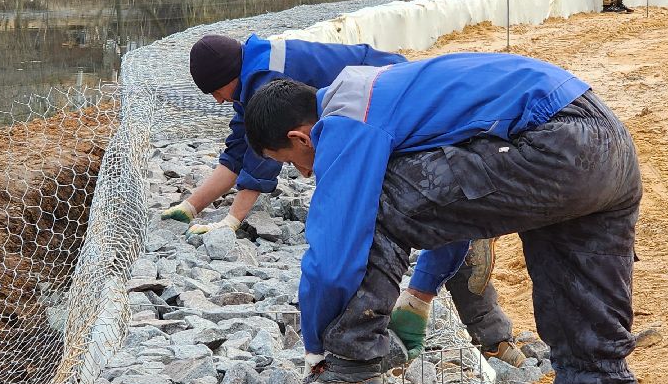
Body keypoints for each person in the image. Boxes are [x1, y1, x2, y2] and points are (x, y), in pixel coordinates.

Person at [242, 55, 642, 384]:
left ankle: (354, 372)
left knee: (369, 203)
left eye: (292, 165)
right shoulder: (392, 92)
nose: (304, 173)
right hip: (607, 148)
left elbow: (335, 251)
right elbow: (459, 208)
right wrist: (422, 293)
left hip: (552, 139)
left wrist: (321, 346)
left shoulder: (344, 119)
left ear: (302, 139)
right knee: (592, 345)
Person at [161, 33, 528, 366]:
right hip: (407, 97)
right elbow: (242, 151)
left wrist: (233, 220)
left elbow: (263, 171)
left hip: (394, 110)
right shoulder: (255, 73)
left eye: (215, 91)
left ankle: (484, 333)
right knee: (442, 209)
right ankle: (485, 332)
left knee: (395, 218)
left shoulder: (269, 87)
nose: (218, 100)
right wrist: (191, 205)